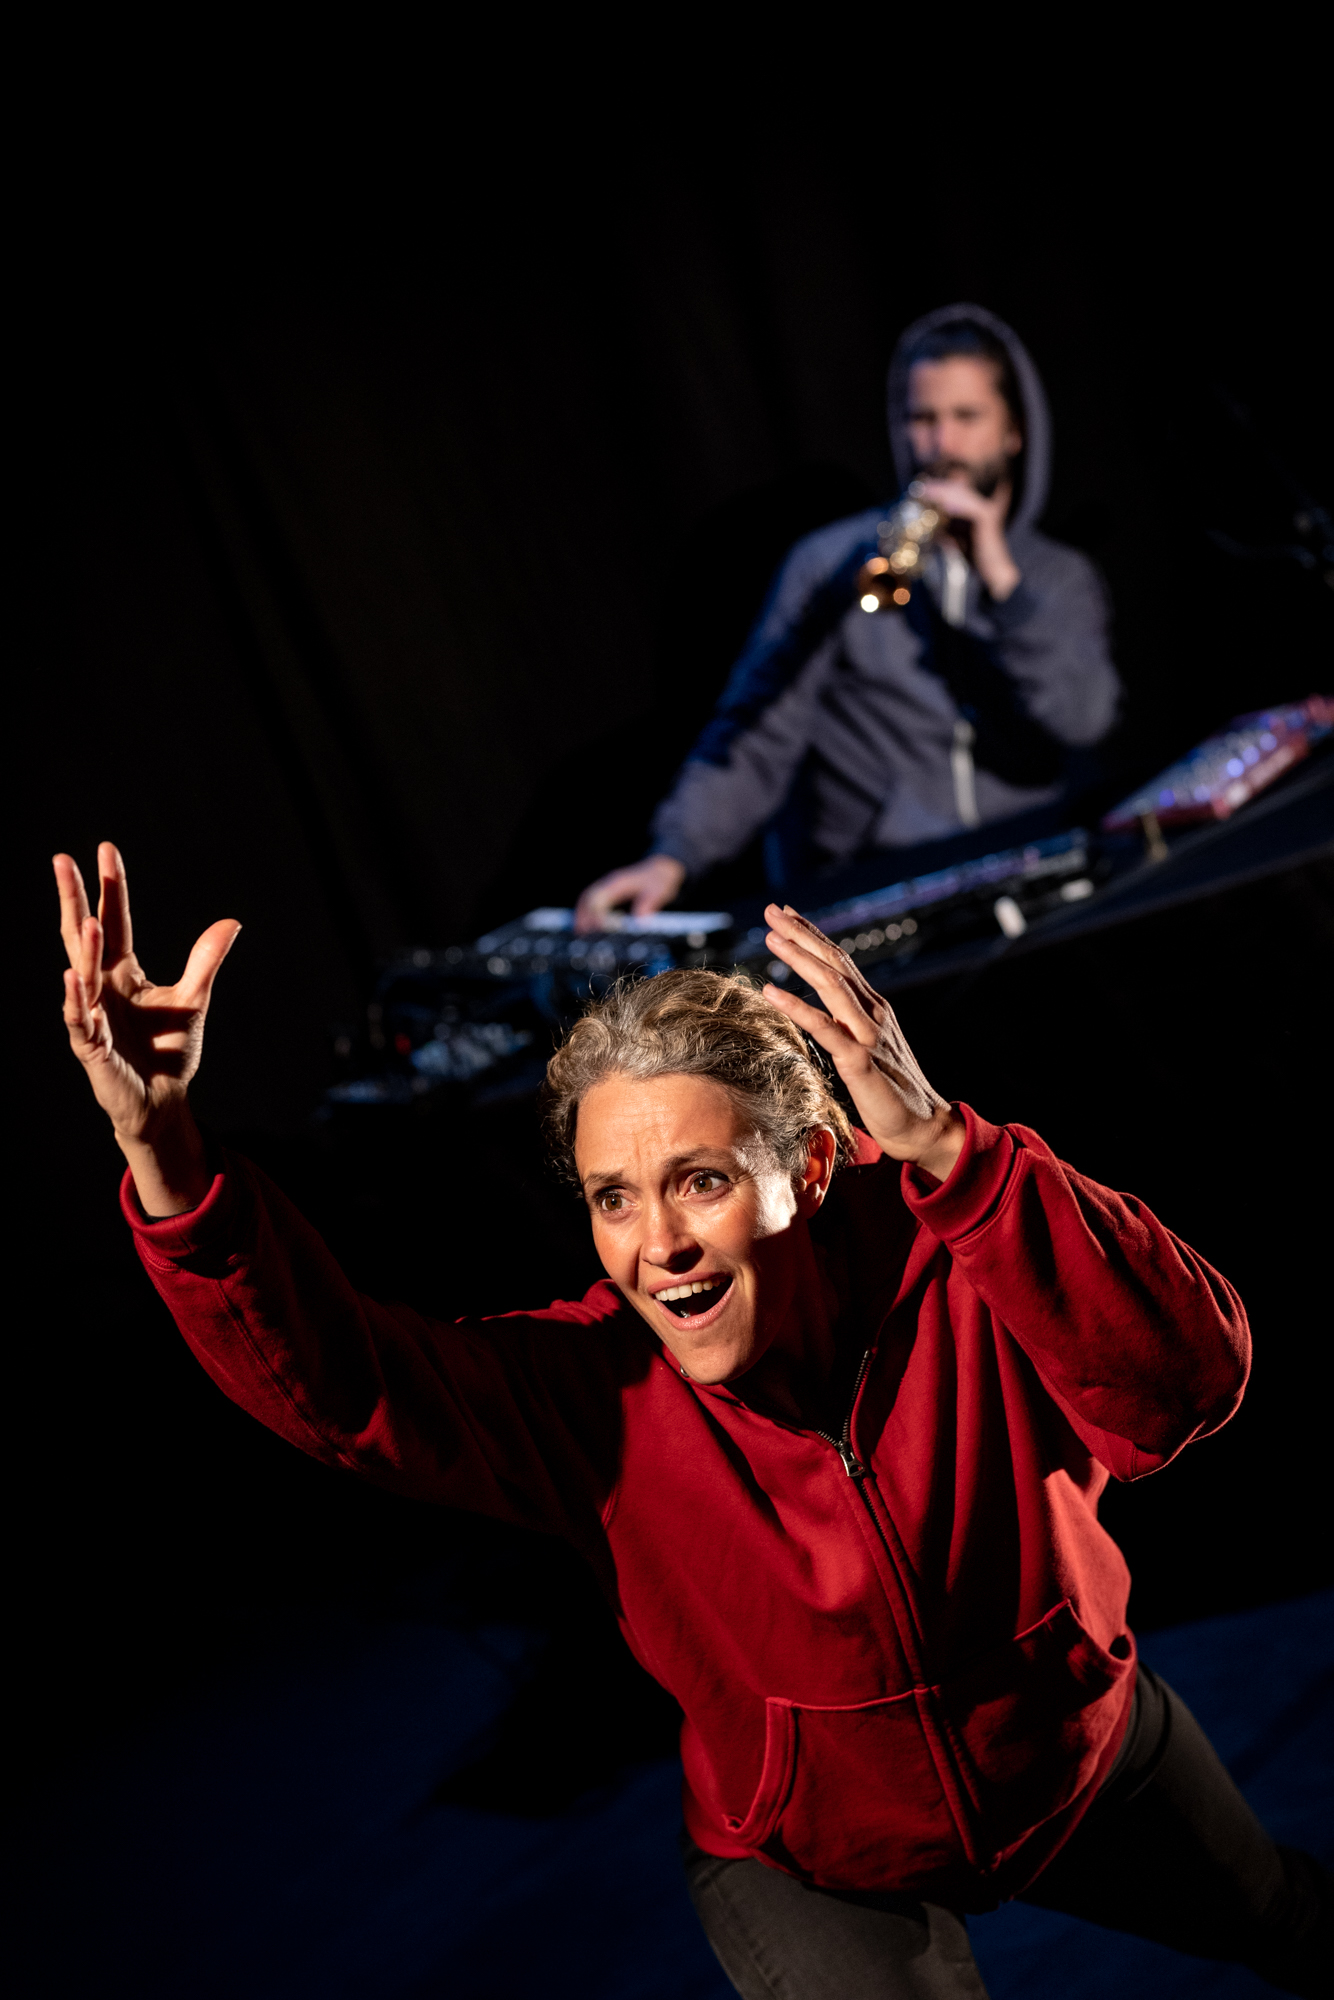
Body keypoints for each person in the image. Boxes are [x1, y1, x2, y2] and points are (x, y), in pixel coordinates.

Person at [54, 844, 1329, 1997]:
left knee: (1288, 1916)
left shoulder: (964, 1251)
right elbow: (347, 1389)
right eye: (612, 1196)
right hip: (811, 1857)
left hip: (1074, 1759)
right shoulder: (593, 1388)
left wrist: (953, 1150)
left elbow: (1185, 1382)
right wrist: (164, 1145)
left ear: (808, 1167)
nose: (655, 1243)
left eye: (701, 1180)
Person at [576, 303, 1121, 933]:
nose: (942, 444)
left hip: (1031, 880)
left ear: (1013, 432)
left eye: (967, 417)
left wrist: (1001, 577)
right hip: (885, 894)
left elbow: (1083, 719)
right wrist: (674, 855)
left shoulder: (1057, 577)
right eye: (923, 419)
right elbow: (758, 731)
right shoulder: (831, 563)